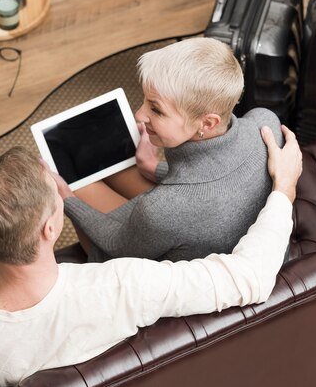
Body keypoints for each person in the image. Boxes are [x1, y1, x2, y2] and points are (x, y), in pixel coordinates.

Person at [0, 125, 301, 387]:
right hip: (31, 341)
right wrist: (283, 187)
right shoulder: (126, 284)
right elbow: (251, 277)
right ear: (52, 228)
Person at [60, 37, 284, 263]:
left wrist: (67, 199)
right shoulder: (265, 124)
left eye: (156, 110)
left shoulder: (162, 209)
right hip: (185, 220)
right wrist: (153, 168)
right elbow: (213, 176)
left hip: (141, 254)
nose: (139, 114)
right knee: (119, 166)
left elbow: (116, 244)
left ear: (207, 123)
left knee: (74, 179)